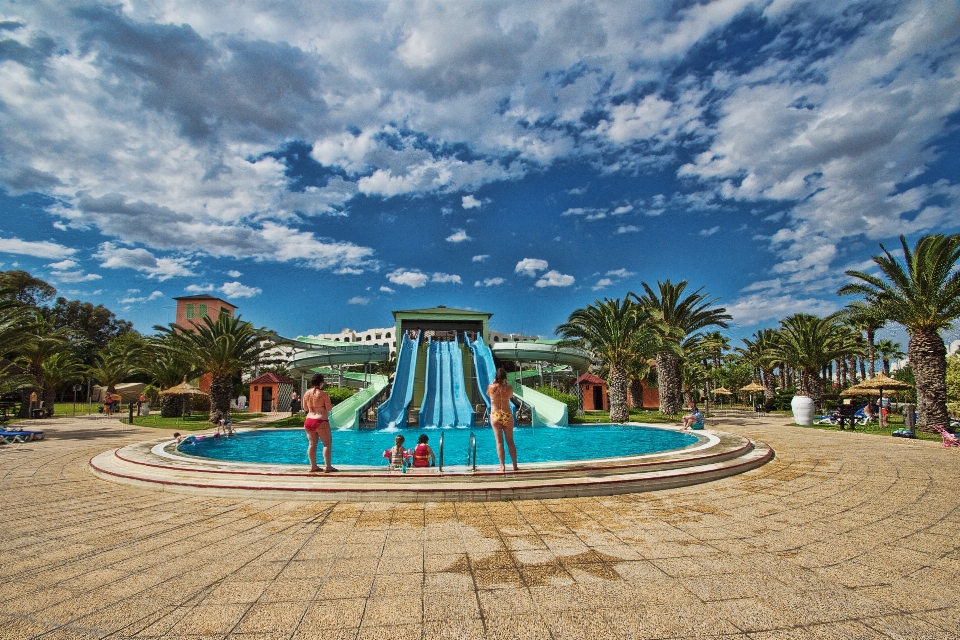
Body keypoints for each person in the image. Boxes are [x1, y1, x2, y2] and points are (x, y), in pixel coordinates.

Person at [487, 368, 518, 472]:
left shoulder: (491, 387)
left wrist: (494, 382)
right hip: (507, 415)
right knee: (510, 442)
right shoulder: (509, 388)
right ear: (505, 377)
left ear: (496, 377)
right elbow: (510, 396)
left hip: (495, 415)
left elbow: (488, 394)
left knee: (499, 442)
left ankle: (502, 466)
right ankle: (514, 465)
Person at [303, 373, 335, 473]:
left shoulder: (306, 393)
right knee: (327, 444)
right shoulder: (323, 394)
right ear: (321, 383)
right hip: (321, 420)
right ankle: (328, 466)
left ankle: (313, 466)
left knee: (312, 444)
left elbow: (305, 408)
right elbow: (329, 408)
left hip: (308, 421)